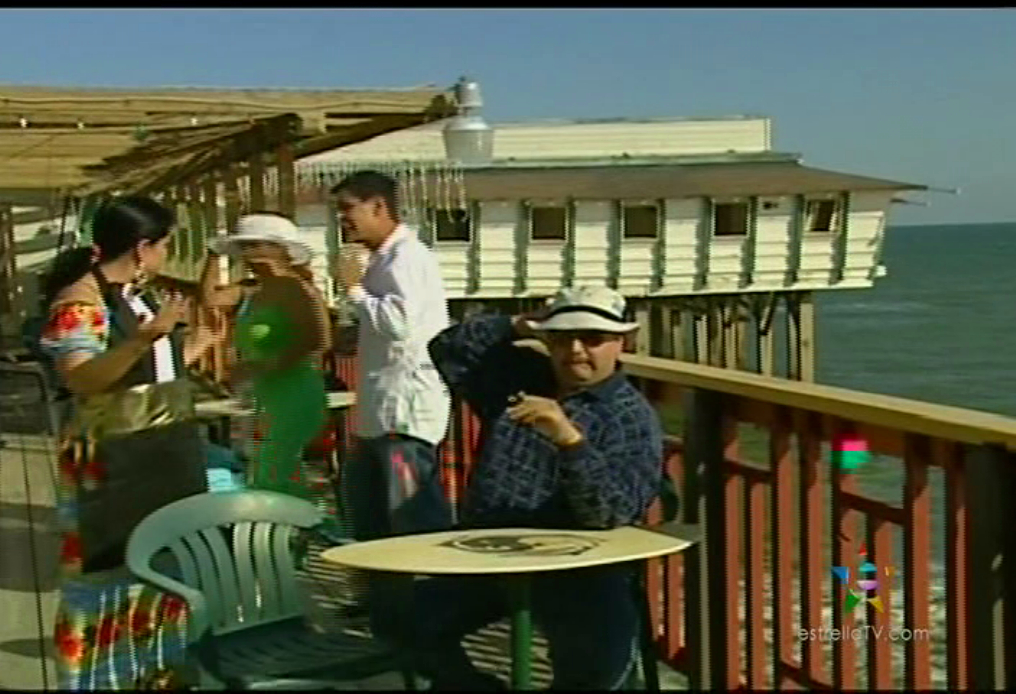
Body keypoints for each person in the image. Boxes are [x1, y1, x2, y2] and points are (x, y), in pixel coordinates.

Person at [386, 285, 665, 690]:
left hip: (579, 566)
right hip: (490, 550)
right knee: (400, 619)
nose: (575, 351)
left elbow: (610, 513)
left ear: (621, 343)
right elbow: (448, 349)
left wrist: (570, 441)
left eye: (592, 339)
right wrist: (517, 324)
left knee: (601, 669)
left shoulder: (631, 417)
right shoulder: (519, 381)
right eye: (562, 338)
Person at [38, 195, 227, 689]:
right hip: (110, 466)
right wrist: (144, 339)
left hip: (155, 457)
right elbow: (82, 377)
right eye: (164, 246)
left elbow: (138, 374)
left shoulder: (132, 295)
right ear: (143, 248)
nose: (165, 256)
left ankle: (156, 677)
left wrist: (191, 347)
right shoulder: (80, 303)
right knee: (106, 576)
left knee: (160, 570)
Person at [329, 170, 454, 608]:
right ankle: (384, 601)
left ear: (379, 206)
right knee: (370, 512)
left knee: (412, 515)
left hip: (404, 414)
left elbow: (400, 324)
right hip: (380, 412)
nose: (343, 219)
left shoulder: (407, 258)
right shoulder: (382, 259)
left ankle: (433, 603)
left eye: (348, 209)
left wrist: (354, 290)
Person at [206, 212, 331, 500]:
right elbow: (210, 298)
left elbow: (320, 340)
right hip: (260, 392)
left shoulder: (300, 289)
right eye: (243, 247)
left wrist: (267, 367)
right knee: (261, 470)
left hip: (291, 390)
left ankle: (294, 521)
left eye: (254, 246)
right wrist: (213, 255)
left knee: (278, 469)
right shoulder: (250, 290)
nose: (247, 254)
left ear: (278, 249)